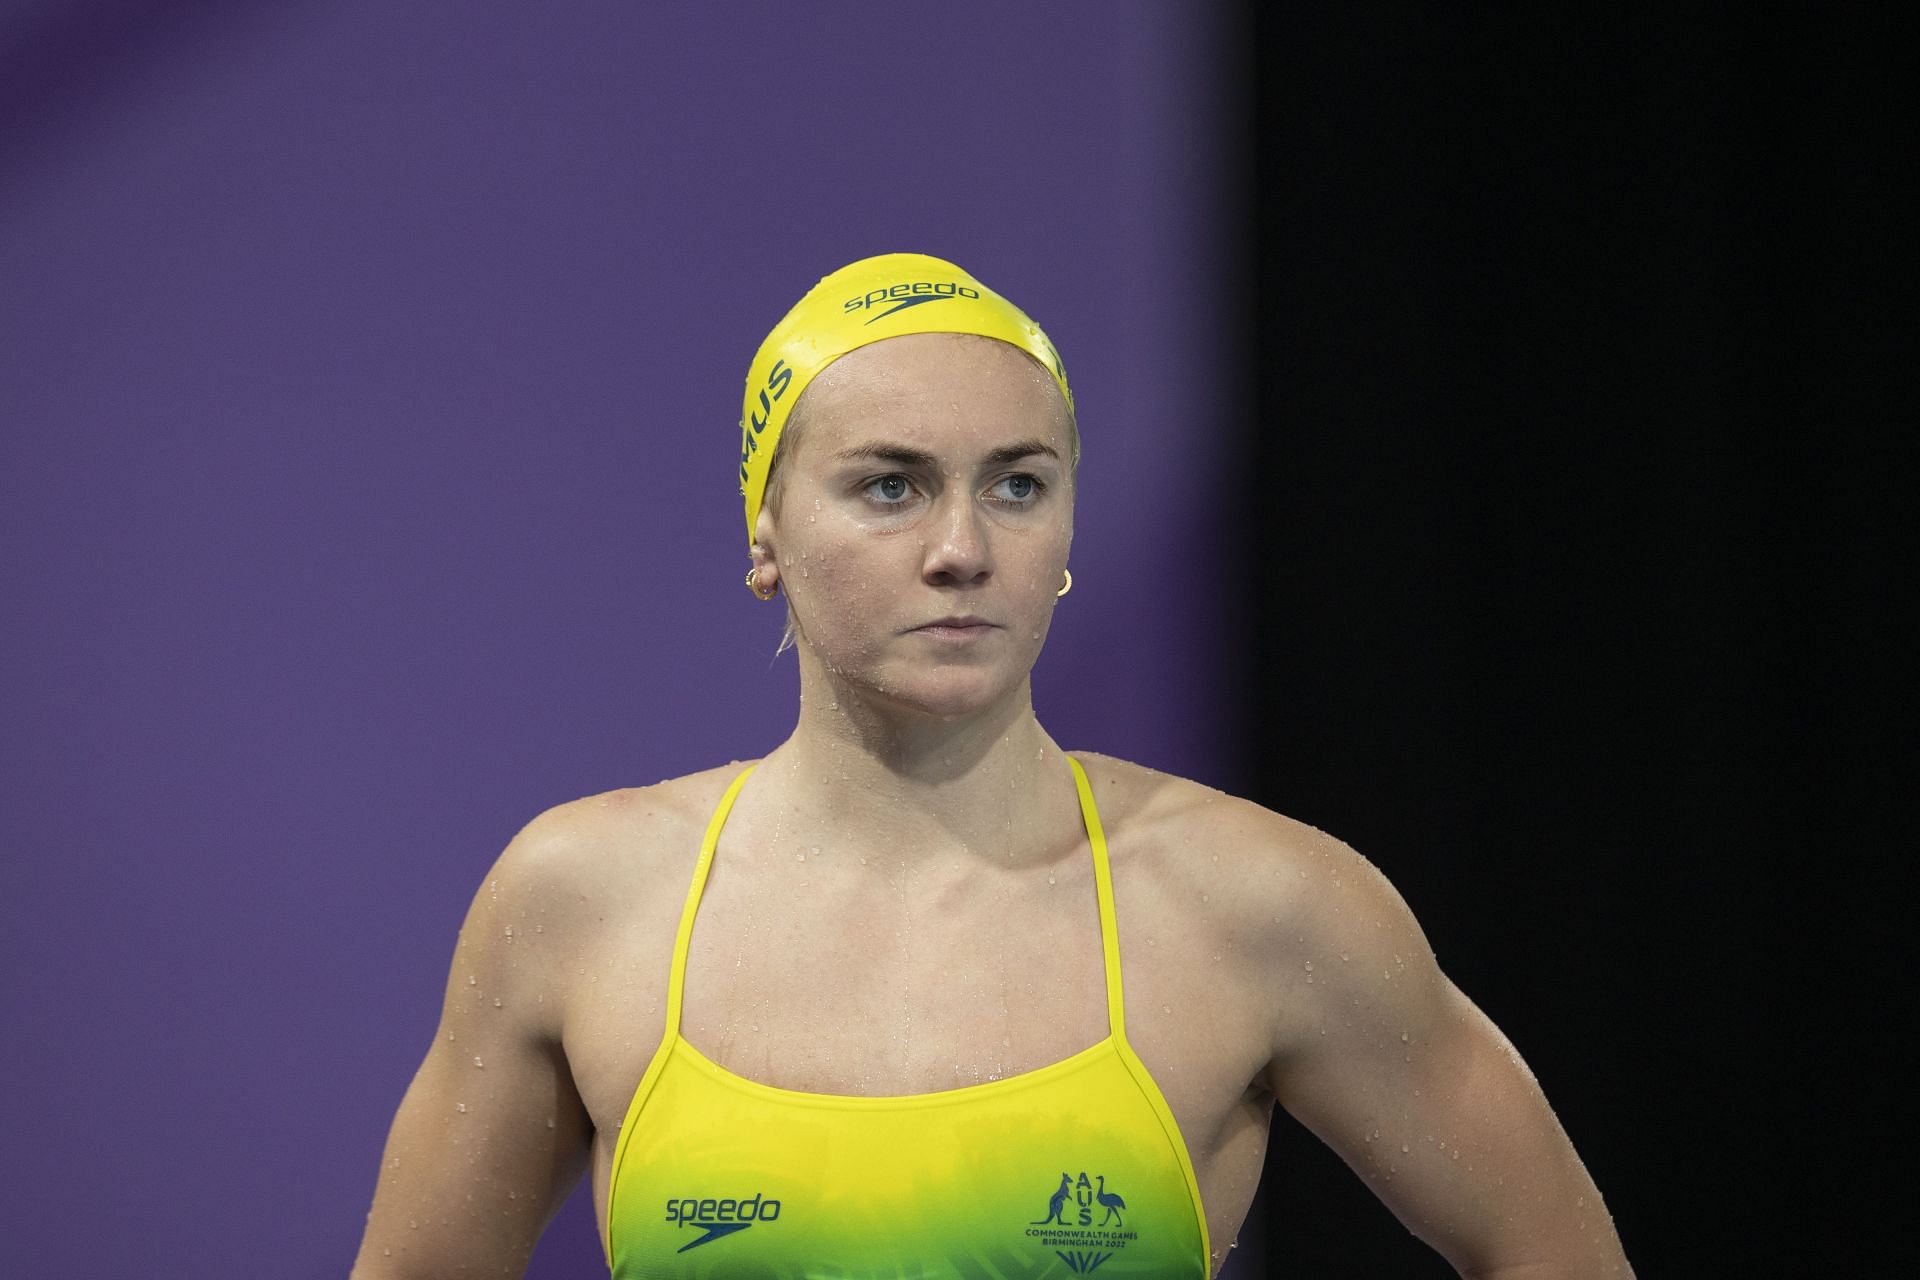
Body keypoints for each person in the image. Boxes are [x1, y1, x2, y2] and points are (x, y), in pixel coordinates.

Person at [351, 253, 1632, 1279]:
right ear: (767, 530)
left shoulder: (1259, 902)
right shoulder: (582, 901)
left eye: (1017, 486)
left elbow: (1553, 1250)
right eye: (891, 486)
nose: (962, 548)